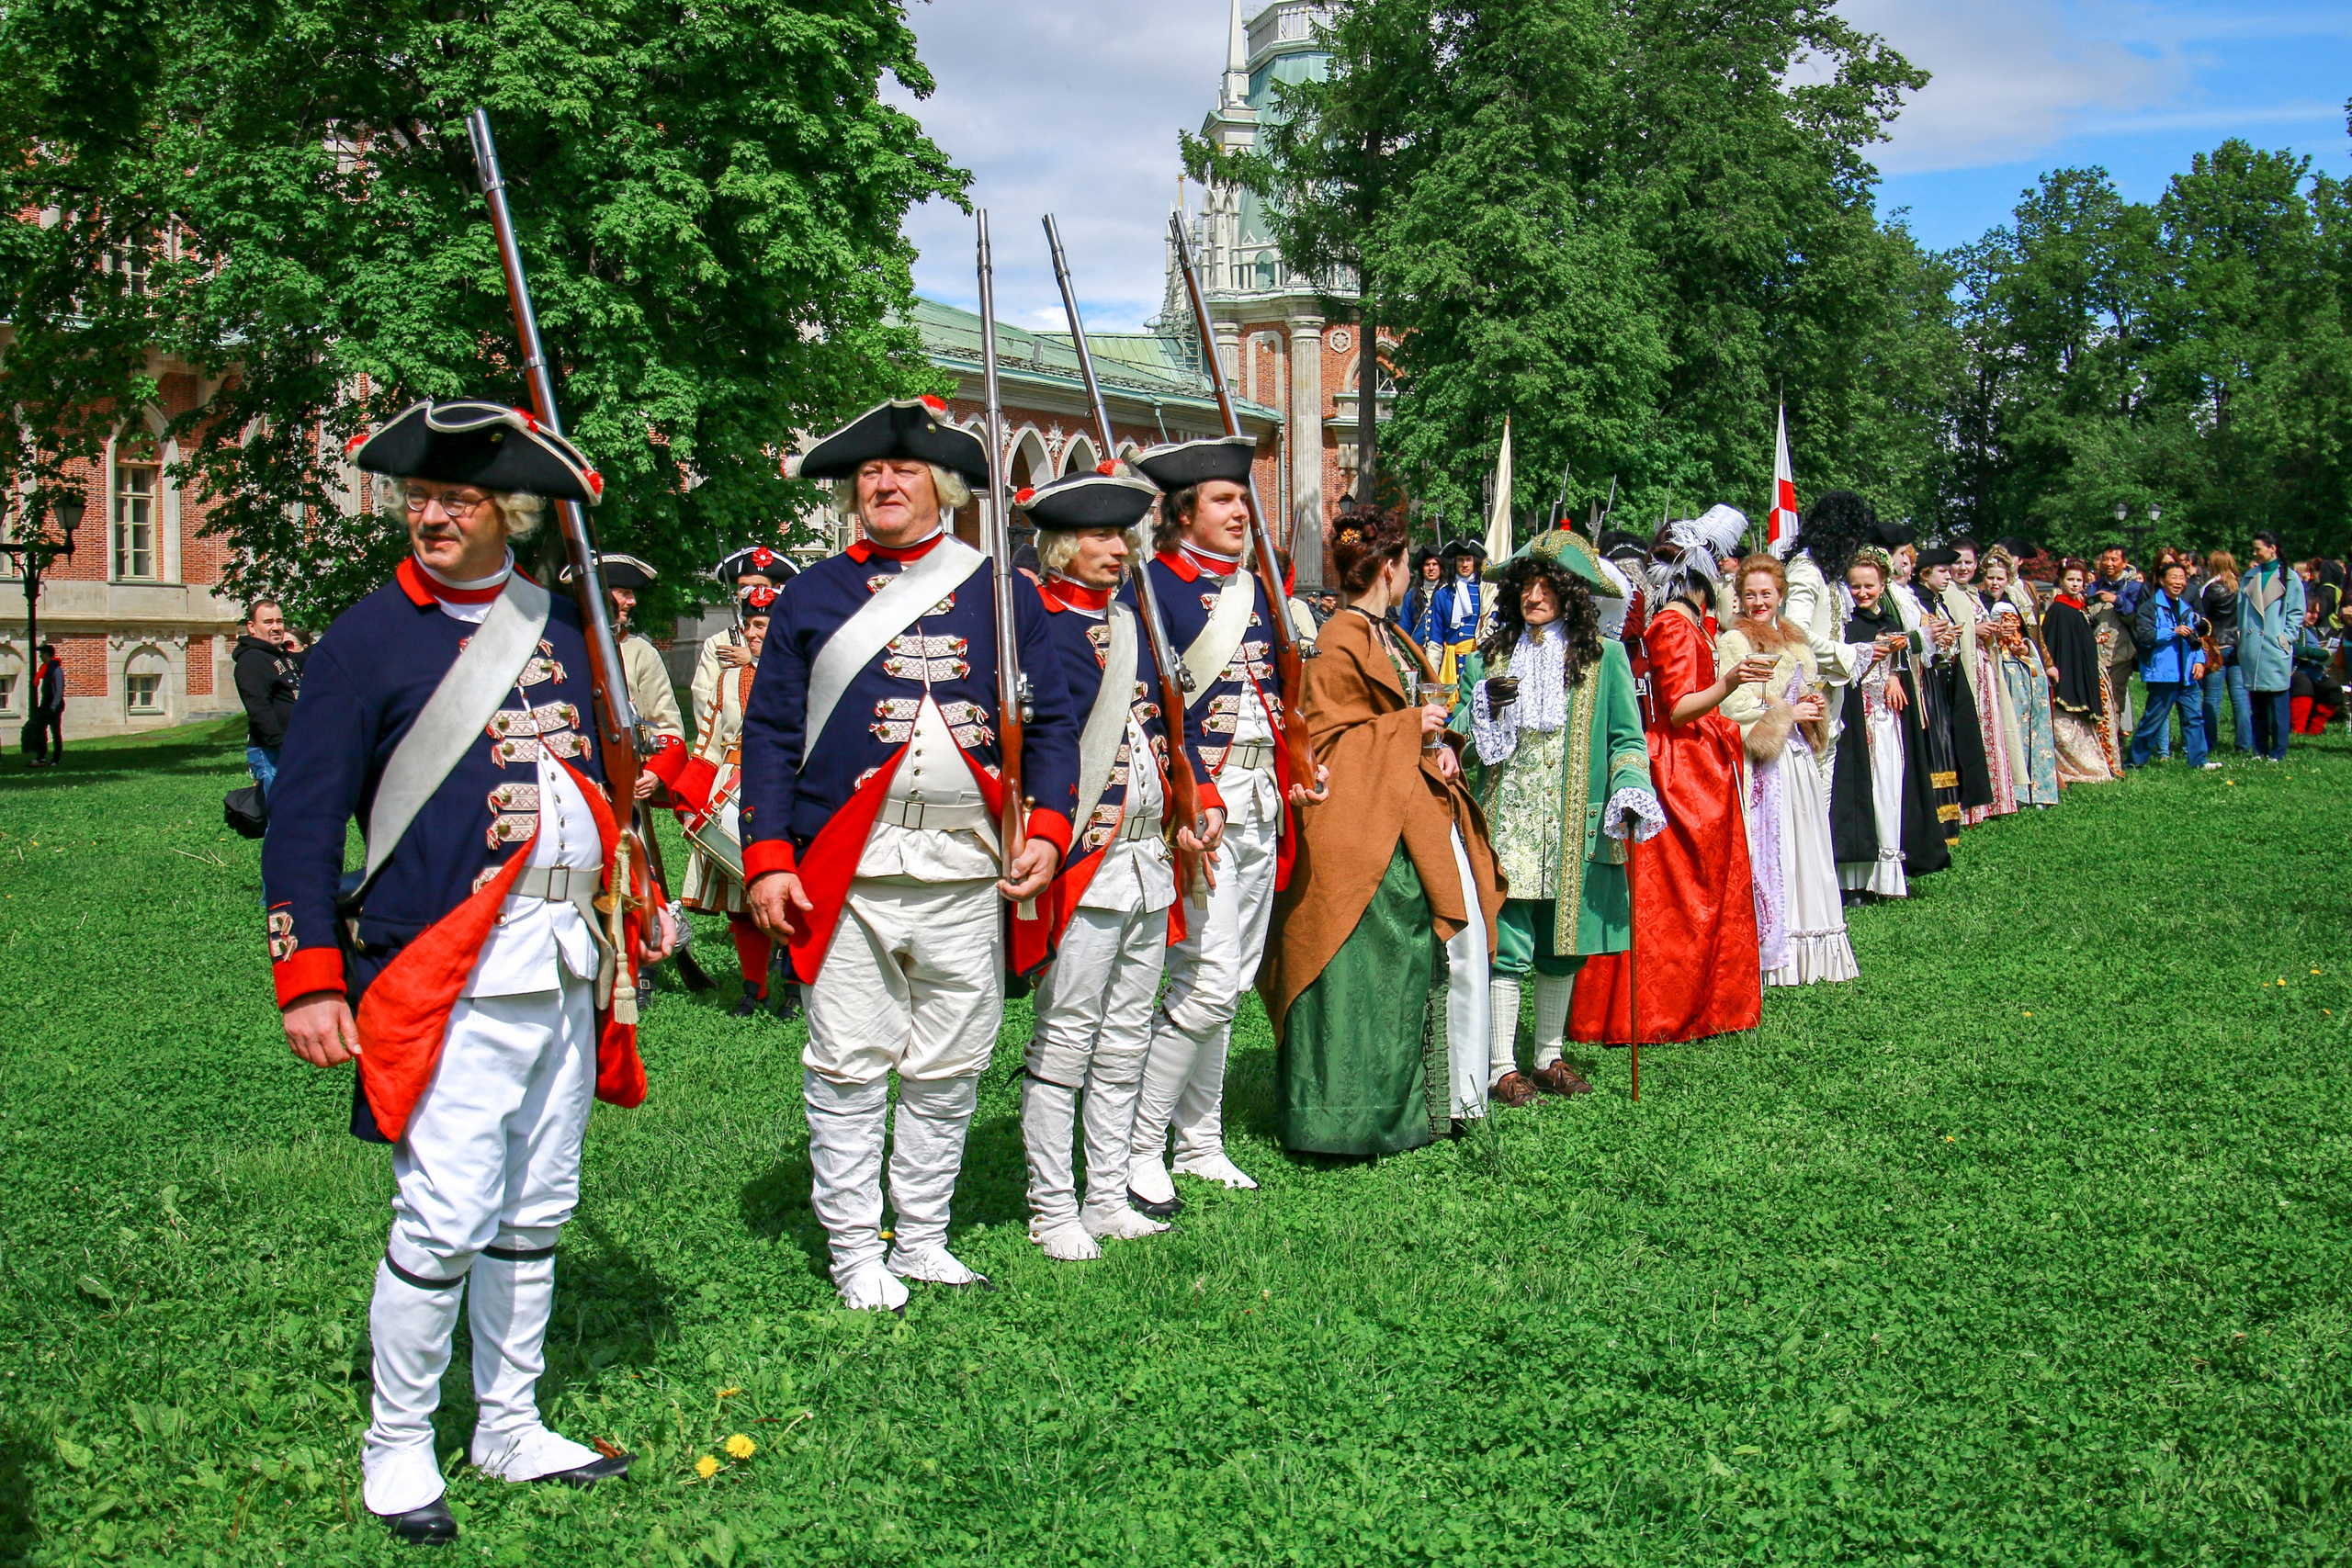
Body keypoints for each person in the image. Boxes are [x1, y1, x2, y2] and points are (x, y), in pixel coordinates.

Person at [262, 400, 675, 1543]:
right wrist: (311, 978)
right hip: (441, 969)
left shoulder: (559, 622)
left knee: (536, 1207)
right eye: (422, 497)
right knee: (444, 1216)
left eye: (460, 499)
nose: (433, 515)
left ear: (513, 514)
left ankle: (506, 1421)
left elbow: (594, 779)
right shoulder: (362, 645)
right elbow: (300, 829)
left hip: (563, 958)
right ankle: (396, 1444)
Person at [738, 396, 1079, 1312]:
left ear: (943, 487)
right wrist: (768, 853)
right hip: (848, 867)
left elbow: (1050, 726)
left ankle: (922, 1236)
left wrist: (1049, 830)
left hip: (967, 862)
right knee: (849, 1062)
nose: (882, 484)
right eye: (869, 473)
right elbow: (768, 733)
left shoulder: (1000, 592)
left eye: (902, 471)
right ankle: (854, 1248)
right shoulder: (814, 594)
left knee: (952, 1059)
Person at [1012, 469, 1220, 1260]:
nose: (1116, 549)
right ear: (1063, 547)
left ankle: (1105, 1194)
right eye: (1098, 537)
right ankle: (1051, 1204)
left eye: (1121, 536)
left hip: (1144, 859)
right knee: (1065, 1036)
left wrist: (1185, 816)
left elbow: (1164, 734)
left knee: (1127, 1034)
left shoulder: (1132, 625)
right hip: (1082, 860)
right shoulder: (1039, 624)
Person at [1261, 503, 1506, 1151]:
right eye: (1404, 564)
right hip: (1363, 820)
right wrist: (1408, 731)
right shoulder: (1342, 635)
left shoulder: (1389, 633)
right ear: (1393, 569)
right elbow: (1325, 738)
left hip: (1409, 800)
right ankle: (1360, 1110)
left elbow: (1407, 712)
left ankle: (1455, 1096)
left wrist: (1440, 742)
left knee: (1458, 935)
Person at [1125, 434, 1327, 1216]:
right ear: (1182, 513)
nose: (1241, 510)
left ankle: (1200, 1142)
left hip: (1261, 801)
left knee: (1230, 983)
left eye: (1243, 499)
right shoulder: (1157, 591)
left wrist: (1297, 771)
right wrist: (1187, 797)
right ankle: (1140, 1147)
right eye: (1222, 499)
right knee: (1204, 983)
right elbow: (1151, 711)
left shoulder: (1259, 589)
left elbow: (1280, 702)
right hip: (1201, 804)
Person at [1466, 529, 1658, 1088]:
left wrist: (1628, 786)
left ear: (1571, 593)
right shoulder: (1490, 658)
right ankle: (1502, 1065)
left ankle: (1548, 1058)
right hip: (1509, 819)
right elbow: (1464, 739)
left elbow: (1627, 739)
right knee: (1507, 939)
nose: (1533, 596)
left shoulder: (1606, 658)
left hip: (1574, 825)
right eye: (1526, 585)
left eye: (1547, 586)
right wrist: (1481, 713)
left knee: (1562, 941)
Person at [1571, 506, 1766, 1047]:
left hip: (1696, 762)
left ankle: (1702, 999)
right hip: (1678, 768)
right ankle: (1658, 1007)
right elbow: (1679, 708)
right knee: (1675, 897)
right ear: (1702, 575)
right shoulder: (1675, 625)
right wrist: (1729, 684)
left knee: (1694, 895)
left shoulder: (1687, 622)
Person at [1719, 555, 1858, 985]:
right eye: (1749, 595)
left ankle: (1810, 948)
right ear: (1738, 598)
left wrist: (1812, 708)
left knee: (1805, 847)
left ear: (1780, 595)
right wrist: (1786, 712)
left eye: (1766, 593)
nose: (1758, 602)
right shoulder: (1735, 642)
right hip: (1767, 765)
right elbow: (1732, 706)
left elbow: (1804, 690)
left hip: (1797, 760)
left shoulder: (1794, 639)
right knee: (1774, 851)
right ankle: (1773, 953)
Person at [671, 587, 785, 1017]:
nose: (752, 635)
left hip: (781, 787)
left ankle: (793, 987)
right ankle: (753, 988)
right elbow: (707, 742)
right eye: (750, 625)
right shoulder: (727, 679)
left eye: (762, 627)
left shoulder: (802, 674)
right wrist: (690, 801)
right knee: (741, 898)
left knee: (792, 890)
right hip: (729, 788)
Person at [1829, 548, 1946, 897]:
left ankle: (1888, 875)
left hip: (1885, 719)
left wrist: (1895, 674)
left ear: (1883, 586)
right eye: (1855, 587)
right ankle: (1855, 878)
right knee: (1859, 790)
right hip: (1855, 717)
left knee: (1889, 789)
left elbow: (1897, 662)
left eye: (1869, 586)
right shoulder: (1844, 626)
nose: (1862, 593)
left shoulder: (1890, 624)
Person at [558, 554, 687, 801]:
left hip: (625, 787)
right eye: (624, 592)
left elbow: (667, 726)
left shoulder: (641, 652)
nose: (632, 601)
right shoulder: (563, 649)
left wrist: (654, 773)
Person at [1919, 547, 2004, 825]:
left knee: (1950, 740)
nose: (1948, 576)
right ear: (1925, 574)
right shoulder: (1919, 600)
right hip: (1930, 679)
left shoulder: (1937, 600)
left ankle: (1953, 809)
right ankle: (1939, 812)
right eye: (1942, 571)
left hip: (1946, 674)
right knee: (1939, 743)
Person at [1976, 548, 2061, 807]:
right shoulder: (1978, 602)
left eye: (2000, 579)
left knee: (2029, 726)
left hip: (2021, 668)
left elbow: (2032, 635)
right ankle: (2008, 790)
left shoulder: (2018, 601)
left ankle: (2037, 789)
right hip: (1994, 667)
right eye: (1990, 578)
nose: (1994, 583)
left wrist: (2026, 648)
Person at [693, 544, 795, 729]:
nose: (749, 593)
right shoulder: (717, 643)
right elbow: (703, 697)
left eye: (758, 586)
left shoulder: (794, 638)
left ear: (776, 588)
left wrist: (755, 660)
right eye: (743, 587)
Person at [2041, 559, 2122, 783]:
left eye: (2079, 580)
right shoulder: (2058, 609)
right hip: (2068, 674)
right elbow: (2054, 644)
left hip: (2087, 669)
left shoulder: (2080, 607)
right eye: (2071, 579)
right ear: (2062, 580)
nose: (2075, 584)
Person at [2128, 558, 2211, 768]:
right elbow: (2145, 637)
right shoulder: (2150, 608)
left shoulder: (2186, 608)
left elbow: (2197, 639)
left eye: (2182, 578)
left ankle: (2198, 762)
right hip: (2163, 675)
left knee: (2194, 719)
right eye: (2173, 577)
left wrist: (2200, 661)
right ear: (2162, 580)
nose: (2178, 582)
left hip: (2188, 675)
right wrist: (2172, 632)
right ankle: (2134, 762)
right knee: (2153, 721)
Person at [2239, 531, 2302, 761]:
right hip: (2253, 647)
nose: (2255, 553)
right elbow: (2241, 611)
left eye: (2258, 549)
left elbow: (2297, 612)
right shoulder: (2250, 576)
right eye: (2254, 549)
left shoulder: (2290, 578)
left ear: (2272, 548)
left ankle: (2278, 751)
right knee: (2257, 705)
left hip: (2274, 647)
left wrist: (2286, 637)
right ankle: (2260, 749)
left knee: (2278, 706)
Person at [234, 601, 302, 793]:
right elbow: (259, 709)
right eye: (268, 622)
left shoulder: (281, 657)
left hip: (293, 748)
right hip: (271, 752)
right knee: (279, 816)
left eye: (279, 622)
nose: (275, 627)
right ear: (252, 627)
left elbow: (314, 656)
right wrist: (282, 746)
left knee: (297, 813)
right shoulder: (252, 660)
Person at [2089, 547, 2143, 736]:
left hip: (2122, 652)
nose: (2109, 563)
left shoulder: (2134, 587)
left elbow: (2137, 619)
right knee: (2097, 700)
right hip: (2096, 653)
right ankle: (2099, 744)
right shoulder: (2094, 587)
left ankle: (2114, 745)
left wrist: (2117, 600)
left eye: (2114, 559)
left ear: (2125, 562)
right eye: (2105, 559)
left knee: (2115, 700)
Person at [2200, 551, 2249, 753]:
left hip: (2218, 645)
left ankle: (2210, 742)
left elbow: (2204, 618)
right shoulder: (2241, 587)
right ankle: (2244, 744)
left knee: (2212, 697)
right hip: (2238, 645)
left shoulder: (2212, 588)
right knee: (2240, 697)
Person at [1430, 538, 1488, 687]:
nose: (1464, 564)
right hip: (1451, 666)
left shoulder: (1484, 592)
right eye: (1460, 560)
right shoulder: (1443, 595)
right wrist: (1431, 677)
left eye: (1468, 560)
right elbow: (1435, 641)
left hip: (1478, 666)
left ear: (1475, 562)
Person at [23, 640, 64, 766]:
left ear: (46, 654)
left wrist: (53, 706)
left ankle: (56, 759)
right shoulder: (47, 669)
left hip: (53, 706)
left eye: (42, 654)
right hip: (46, 704)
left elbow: (59, 690)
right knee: (40, 729)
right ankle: (41, 757)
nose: (40, 656)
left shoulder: (56, 670)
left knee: (55, 732)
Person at [1401, 547, 1442, 651]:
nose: (1431, 568)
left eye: (1435, 564)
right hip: (1417, 651)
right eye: (1427, 565)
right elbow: (1404, 628)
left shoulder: (1448, 594)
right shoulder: (1411, 595)